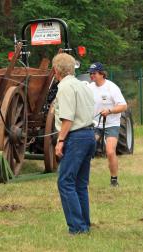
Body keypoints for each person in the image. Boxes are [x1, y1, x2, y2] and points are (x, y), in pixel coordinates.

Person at [52, 53, 96, 235]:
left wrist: (60, 140)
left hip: (75, 137)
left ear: (56, 70)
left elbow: (67, 119)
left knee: (65, 182)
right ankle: (84, 224)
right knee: (80, 184)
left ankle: (77, 228)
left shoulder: (64, 87)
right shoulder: (82, 85)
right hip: (89, 135)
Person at [87, 62, 127, 187]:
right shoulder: (89, 87)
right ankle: (84, 180)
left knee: (110, 152)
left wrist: (109, 111)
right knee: (86, 150)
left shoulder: (112, 87)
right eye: (90, 73)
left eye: (93, 73)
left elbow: (123, 106)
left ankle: (114, 180)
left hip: (111, 124)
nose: (91, 75)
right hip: (95, 124)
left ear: (101, 74)